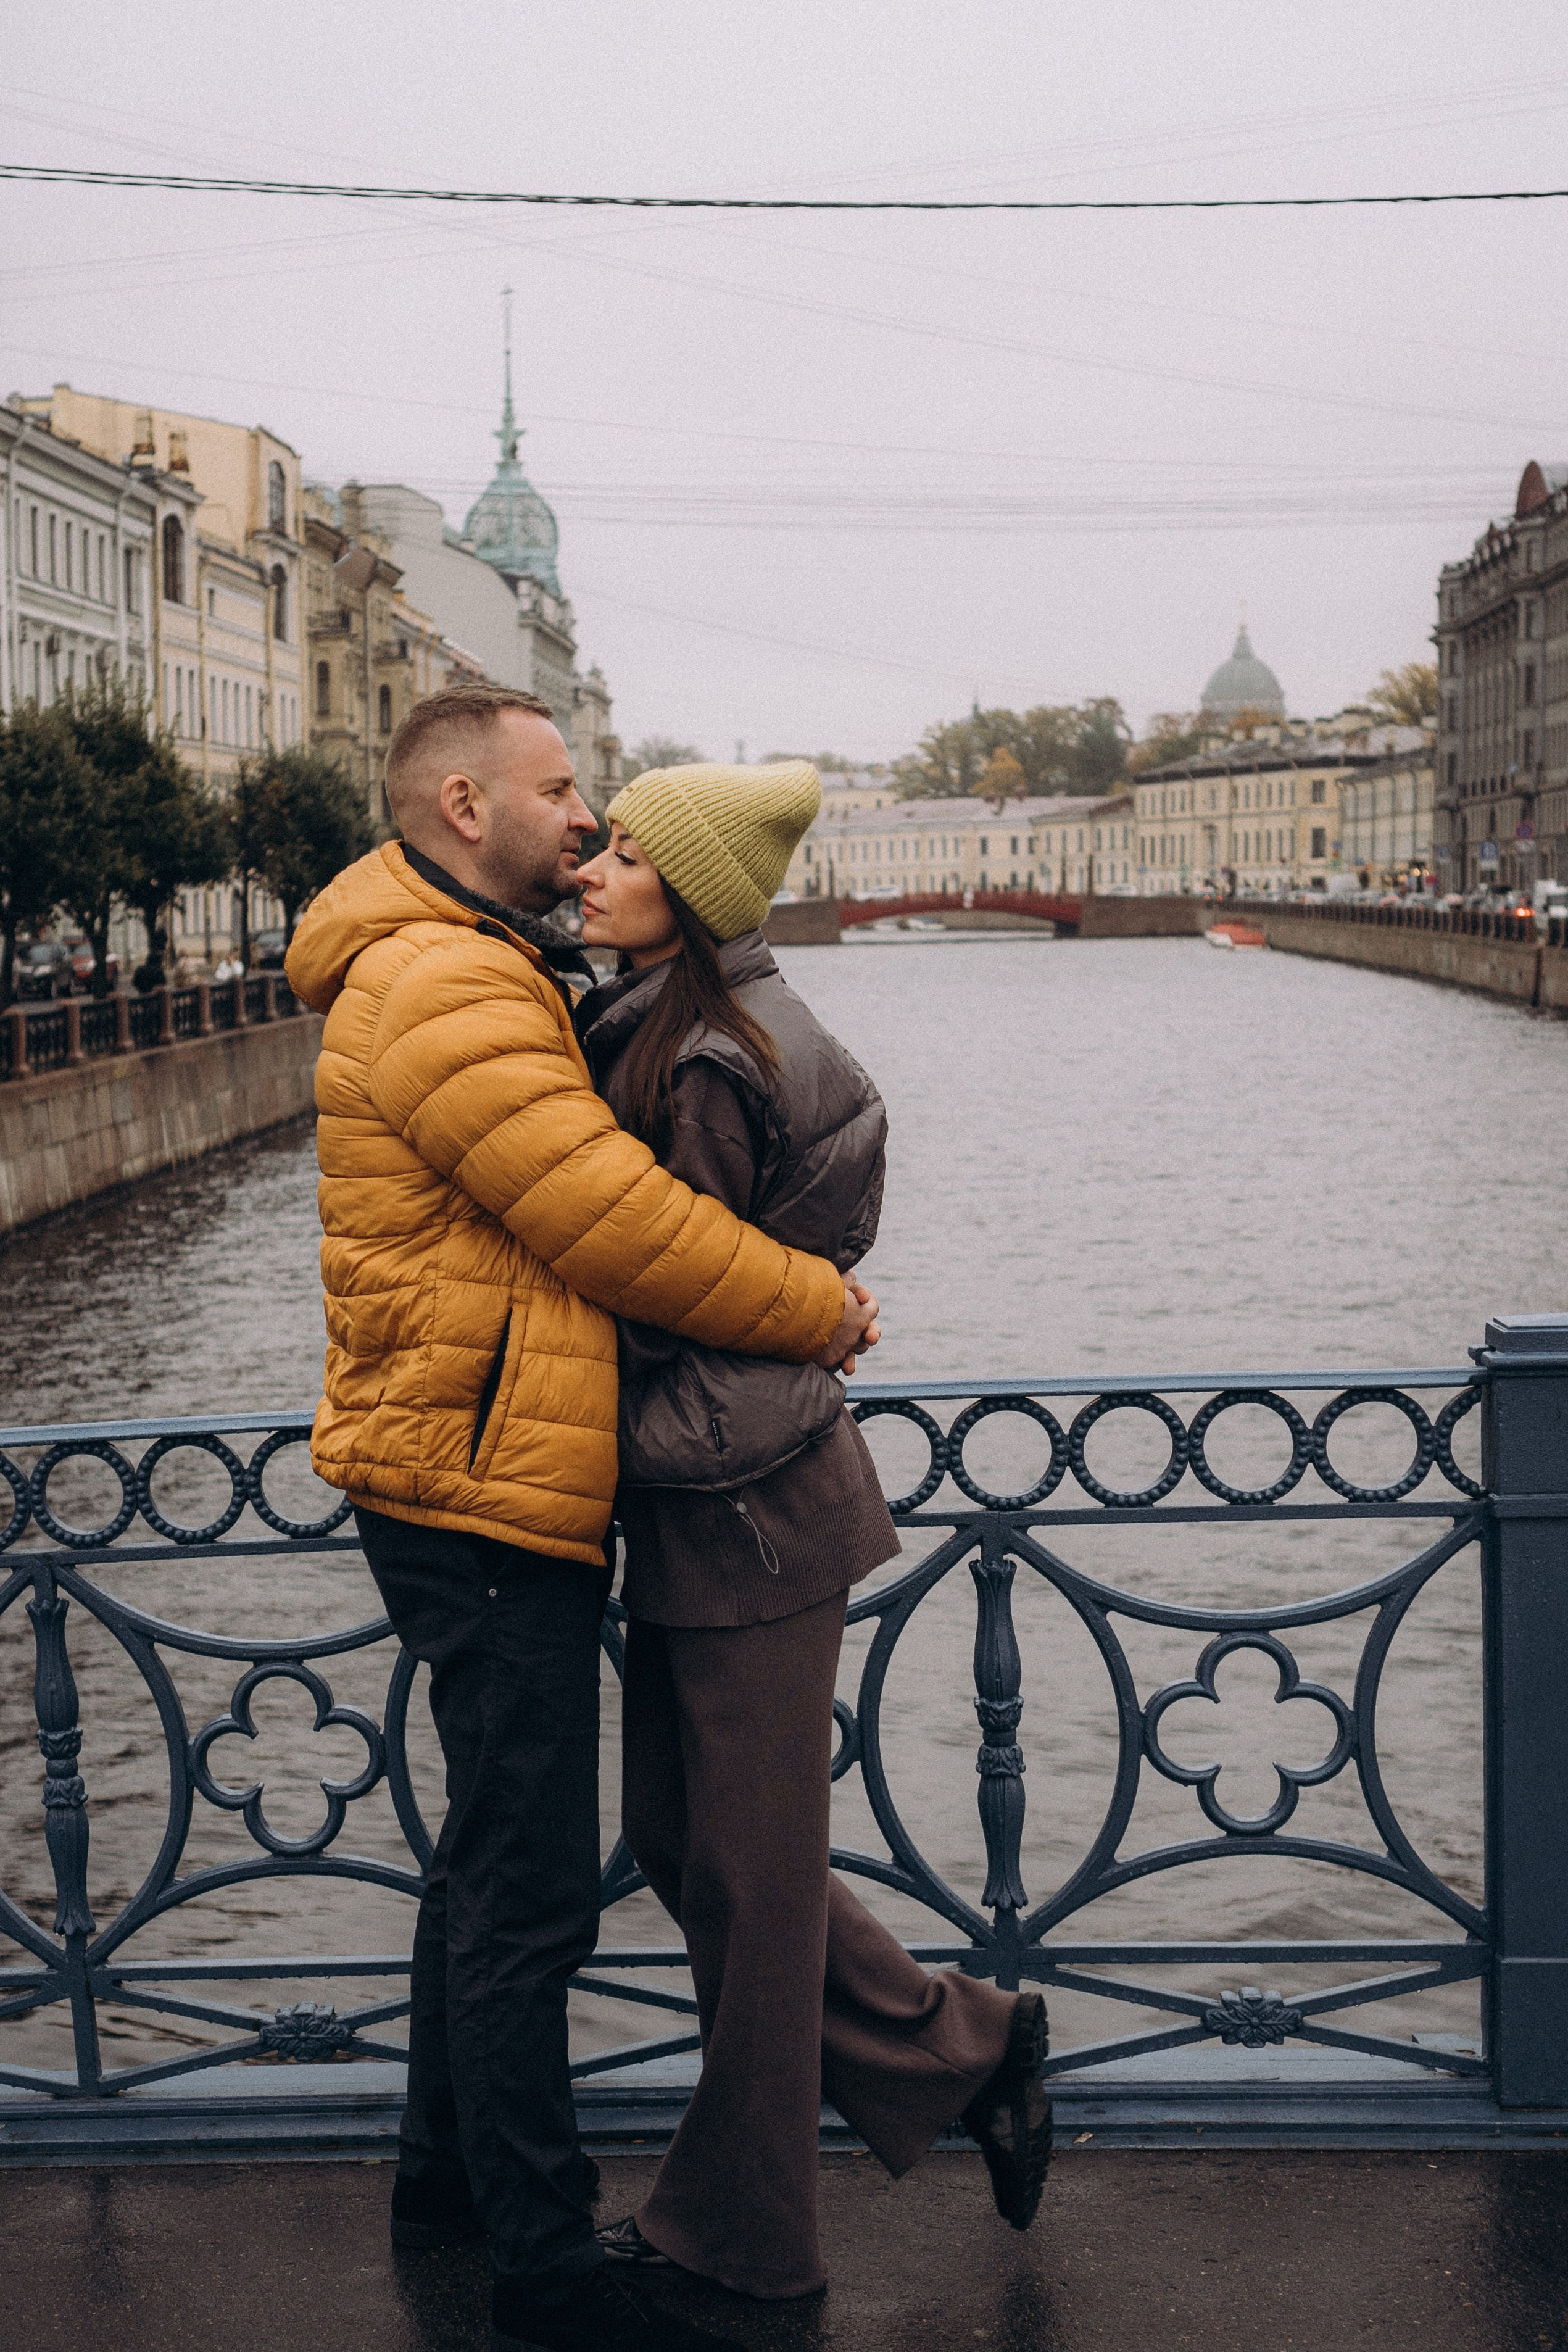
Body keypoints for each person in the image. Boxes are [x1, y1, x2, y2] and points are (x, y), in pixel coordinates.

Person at [284, 686, 878, 2352]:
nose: (583, 818)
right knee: (533, 1884)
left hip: (473, 1464)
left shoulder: (459, 957)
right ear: (464, 805)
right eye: (562, 792)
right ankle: (542, 2265)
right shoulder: (446, 978)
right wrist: (815, 1305)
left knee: (490, 1853)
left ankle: (443, 2182)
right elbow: (611, 1221)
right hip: (481, 1485)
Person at [571, 760, 1053, 2304]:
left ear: (693, 895)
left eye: (628, 852)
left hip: (748, 1508)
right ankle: (973, 2043)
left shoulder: (708, 1058)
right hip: (730, 1490)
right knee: (689, 1841)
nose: (591, 861)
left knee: (753, 1889)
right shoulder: (678, 1021)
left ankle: (743, 2239)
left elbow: (674, 1283)